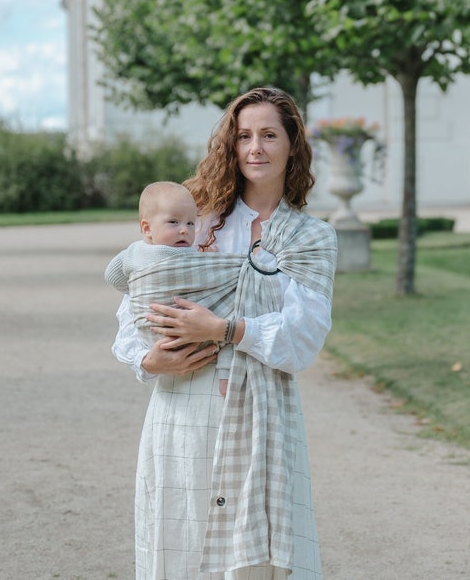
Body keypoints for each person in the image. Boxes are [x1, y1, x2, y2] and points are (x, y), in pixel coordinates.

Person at [111, 86, 338, 580]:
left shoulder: (310, 238)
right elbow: (136, 308)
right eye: (244, 136)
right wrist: (147, 361)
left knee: (256, 558)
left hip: (262, 414)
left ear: (292, 144)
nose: (255, 147)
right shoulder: (196, 223)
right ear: (231, 147)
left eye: (270, 135)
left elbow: (303, 339)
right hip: (183, 407)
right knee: (183, 544)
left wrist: (223, 329)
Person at [104, 180, 237, 396]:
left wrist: (135, 289)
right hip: (183, 327)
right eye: (173, 222)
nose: (184, 230)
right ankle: (226, 373)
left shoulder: (133, 252)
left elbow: (111, 275)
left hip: (153, 333)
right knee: (227, 325)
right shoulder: (189, 255)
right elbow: (211, 277)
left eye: (191, 224)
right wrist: (211, 256)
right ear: (147, 228)